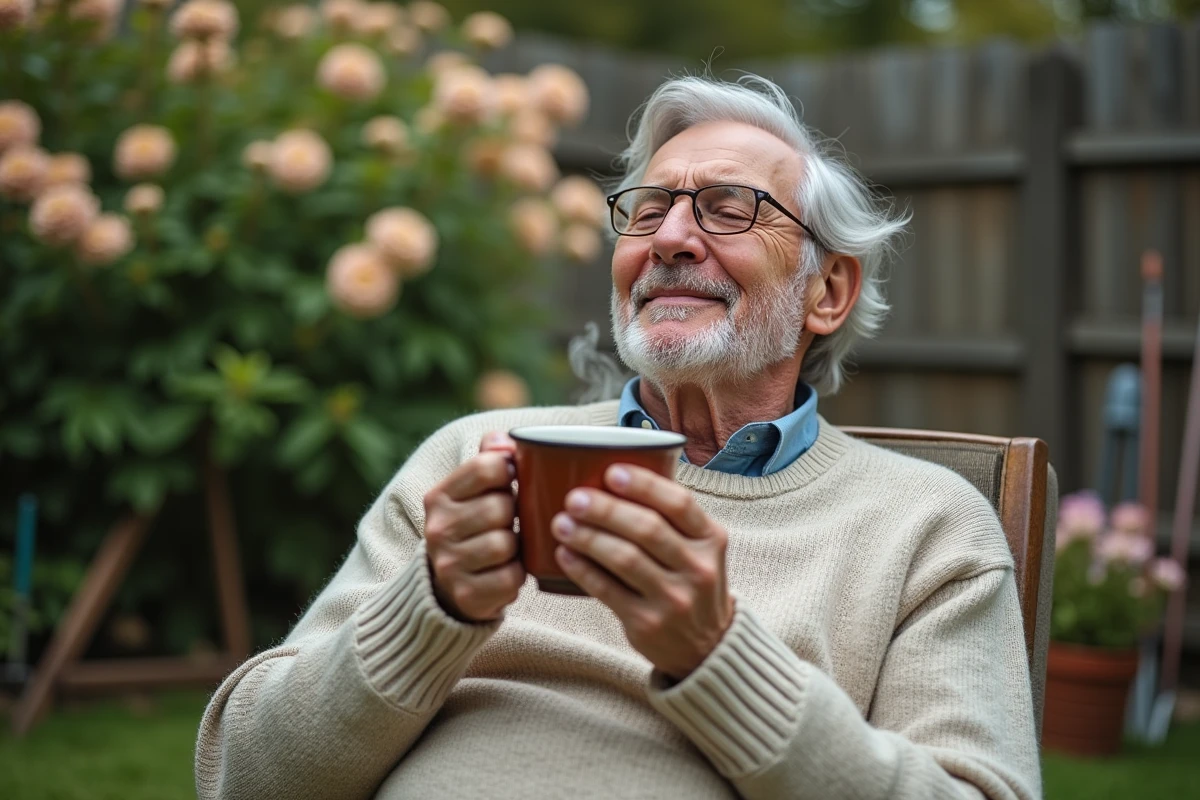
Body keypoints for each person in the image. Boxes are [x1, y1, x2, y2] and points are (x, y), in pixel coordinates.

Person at [196, 75, 1041, 800]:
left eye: (729, 209)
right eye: (648, 210)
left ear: (827, 291)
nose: (669, 238)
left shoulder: (928, 526)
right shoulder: (474, 459)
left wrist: (718, 657)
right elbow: (243, 774)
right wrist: (432, 609)